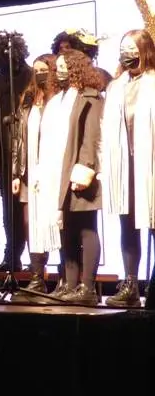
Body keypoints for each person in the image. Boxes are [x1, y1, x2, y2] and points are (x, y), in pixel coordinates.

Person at [35, 50, 104, 305]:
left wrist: (85, 167)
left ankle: (87, 287)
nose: (60, 70)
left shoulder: (90, 96)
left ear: (76, 68)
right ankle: (70, 284)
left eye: (65, 66)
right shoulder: (57, 100)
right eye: (58, 67)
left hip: (80, 172)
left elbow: (92, 136)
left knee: (86, 228)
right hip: (59, 174)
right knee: (67, 231)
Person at [102, 30, 155, 307]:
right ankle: (131, 284)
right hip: (126, 166)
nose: (126, 53)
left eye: (131, 48)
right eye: (123, 48)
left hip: (152, 164)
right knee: (128, 224)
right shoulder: (116, 85)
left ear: (144, 50)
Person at [10, 54, 58, 297]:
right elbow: (18, 138)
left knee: (57, 223)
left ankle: (68, 279)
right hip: (30, 171)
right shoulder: (28, 99)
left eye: (44, 69)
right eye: (36, 70)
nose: (39, 74)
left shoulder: (59, 99)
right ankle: (37, 277)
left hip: (53, 171)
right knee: (31, 224)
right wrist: (16, 172)